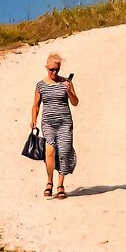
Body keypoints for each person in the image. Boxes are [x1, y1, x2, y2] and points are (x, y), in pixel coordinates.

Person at [29, 54, 80, 199]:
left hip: (65, 123)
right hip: (48, 124)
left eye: (57, 70)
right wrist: (33, 119)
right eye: (51, 69)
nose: (54, 73)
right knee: (49, 152)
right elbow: (36, 105)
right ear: (46, 68)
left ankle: (60, 185)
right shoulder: (40, 85)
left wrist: (69, 90)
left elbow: (75, 102)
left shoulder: (66, 82)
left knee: (64, 153)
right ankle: (49, 181)